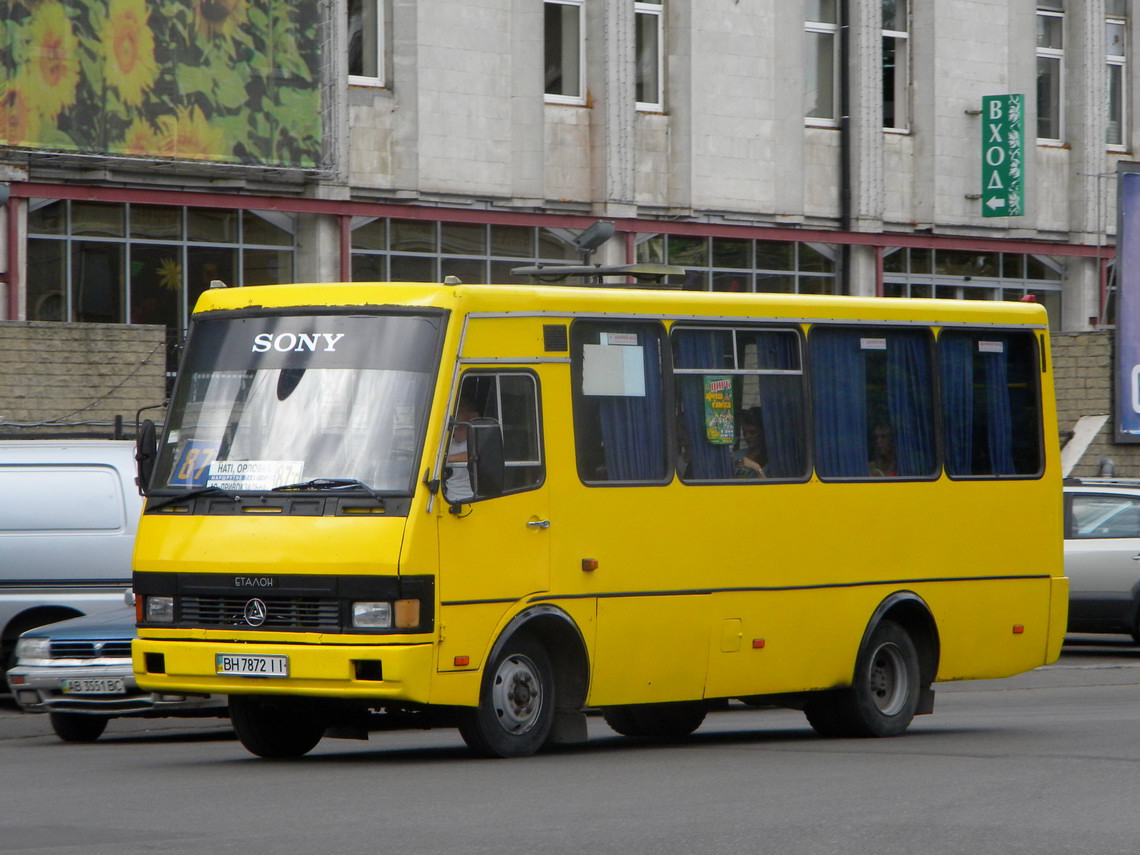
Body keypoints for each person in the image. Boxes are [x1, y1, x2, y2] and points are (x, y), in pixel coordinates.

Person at [444, 397, 479, 501]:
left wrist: (445, 458)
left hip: (470, 500)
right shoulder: (446, 444)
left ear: (473, 416)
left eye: (459, 409)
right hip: (447, 500)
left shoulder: (477, 442)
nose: (453, 413)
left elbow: (473, 455)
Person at [734, 407, 766, 478]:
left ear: (762, 433)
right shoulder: (737, 455)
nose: (747, 436)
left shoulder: (773, 461)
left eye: (752, 432)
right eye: (745, 432)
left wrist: (757, 468)